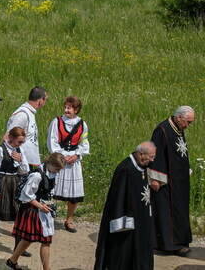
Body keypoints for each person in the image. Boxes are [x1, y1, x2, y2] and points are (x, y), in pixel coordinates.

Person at [94, 141, 157, 270]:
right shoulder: (125, 169)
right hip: (128, 222)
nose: (152, 160)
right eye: (150, 156)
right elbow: (118, 198)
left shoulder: (142, 166)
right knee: (123, 254)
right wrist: (122, 222)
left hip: (141, 219)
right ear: (140, 154)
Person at [5, 151, 64, 270]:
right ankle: (45, 268)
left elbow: (48, 190)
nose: (58, 172)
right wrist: (40, 206)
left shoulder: (51, 173)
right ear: (50, 163)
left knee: (34, 239)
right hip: (33, 209)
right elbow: (26, 195)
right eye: (57, 169)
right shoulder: (37, 175)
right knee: (37, 239)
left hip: (43, 209)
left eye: (59, 170)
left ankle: (12, 260)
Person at [149, 105, 194, 257]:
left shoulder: (178, 129)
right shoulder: (162, 130)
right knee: (166, 212)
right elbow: (156, 156)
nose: (188, 126)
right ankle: (169, 245)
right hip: (165, 181)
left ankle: (181, 241)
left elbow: (180, 152)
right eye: (187, 122)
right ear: (178, 117)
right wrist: (156, 178)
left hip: (179, 180)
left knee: (180, 211)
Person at [0, 126, 31, 251]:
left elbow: (24, 171)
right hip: (2, 182)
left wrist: (20, 160)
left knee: (18, 214)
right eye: (19, 141)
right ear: (11, 138)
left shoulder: (19, 150)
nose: (21, 144)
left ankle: (18, 247)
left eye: (22, 142)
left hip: (15, 183)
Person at [47, 95, 89, 232]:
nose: (66, 110)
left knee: (74, 193)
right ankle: (48, 217)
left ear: (76, 109)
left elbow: (84, 142)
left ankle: (69, 219)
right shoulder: (56, 122)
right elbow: (52, 140)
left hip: (74, 162)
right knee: (52, 190)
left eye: (69, 108)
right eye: (65, 107)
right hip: (59, 160)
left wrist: (77, 155)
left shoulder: (82, 124)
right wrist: (62, 156)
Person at [7, 86, 47, 169]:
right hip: (19, 162)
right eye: (45, 99)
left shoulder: (30, 113)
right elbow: (9, 136)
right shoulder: (22, 114)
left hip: (26, 162)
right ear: (40, 100)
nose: (45, 103)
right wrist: (14, 155)